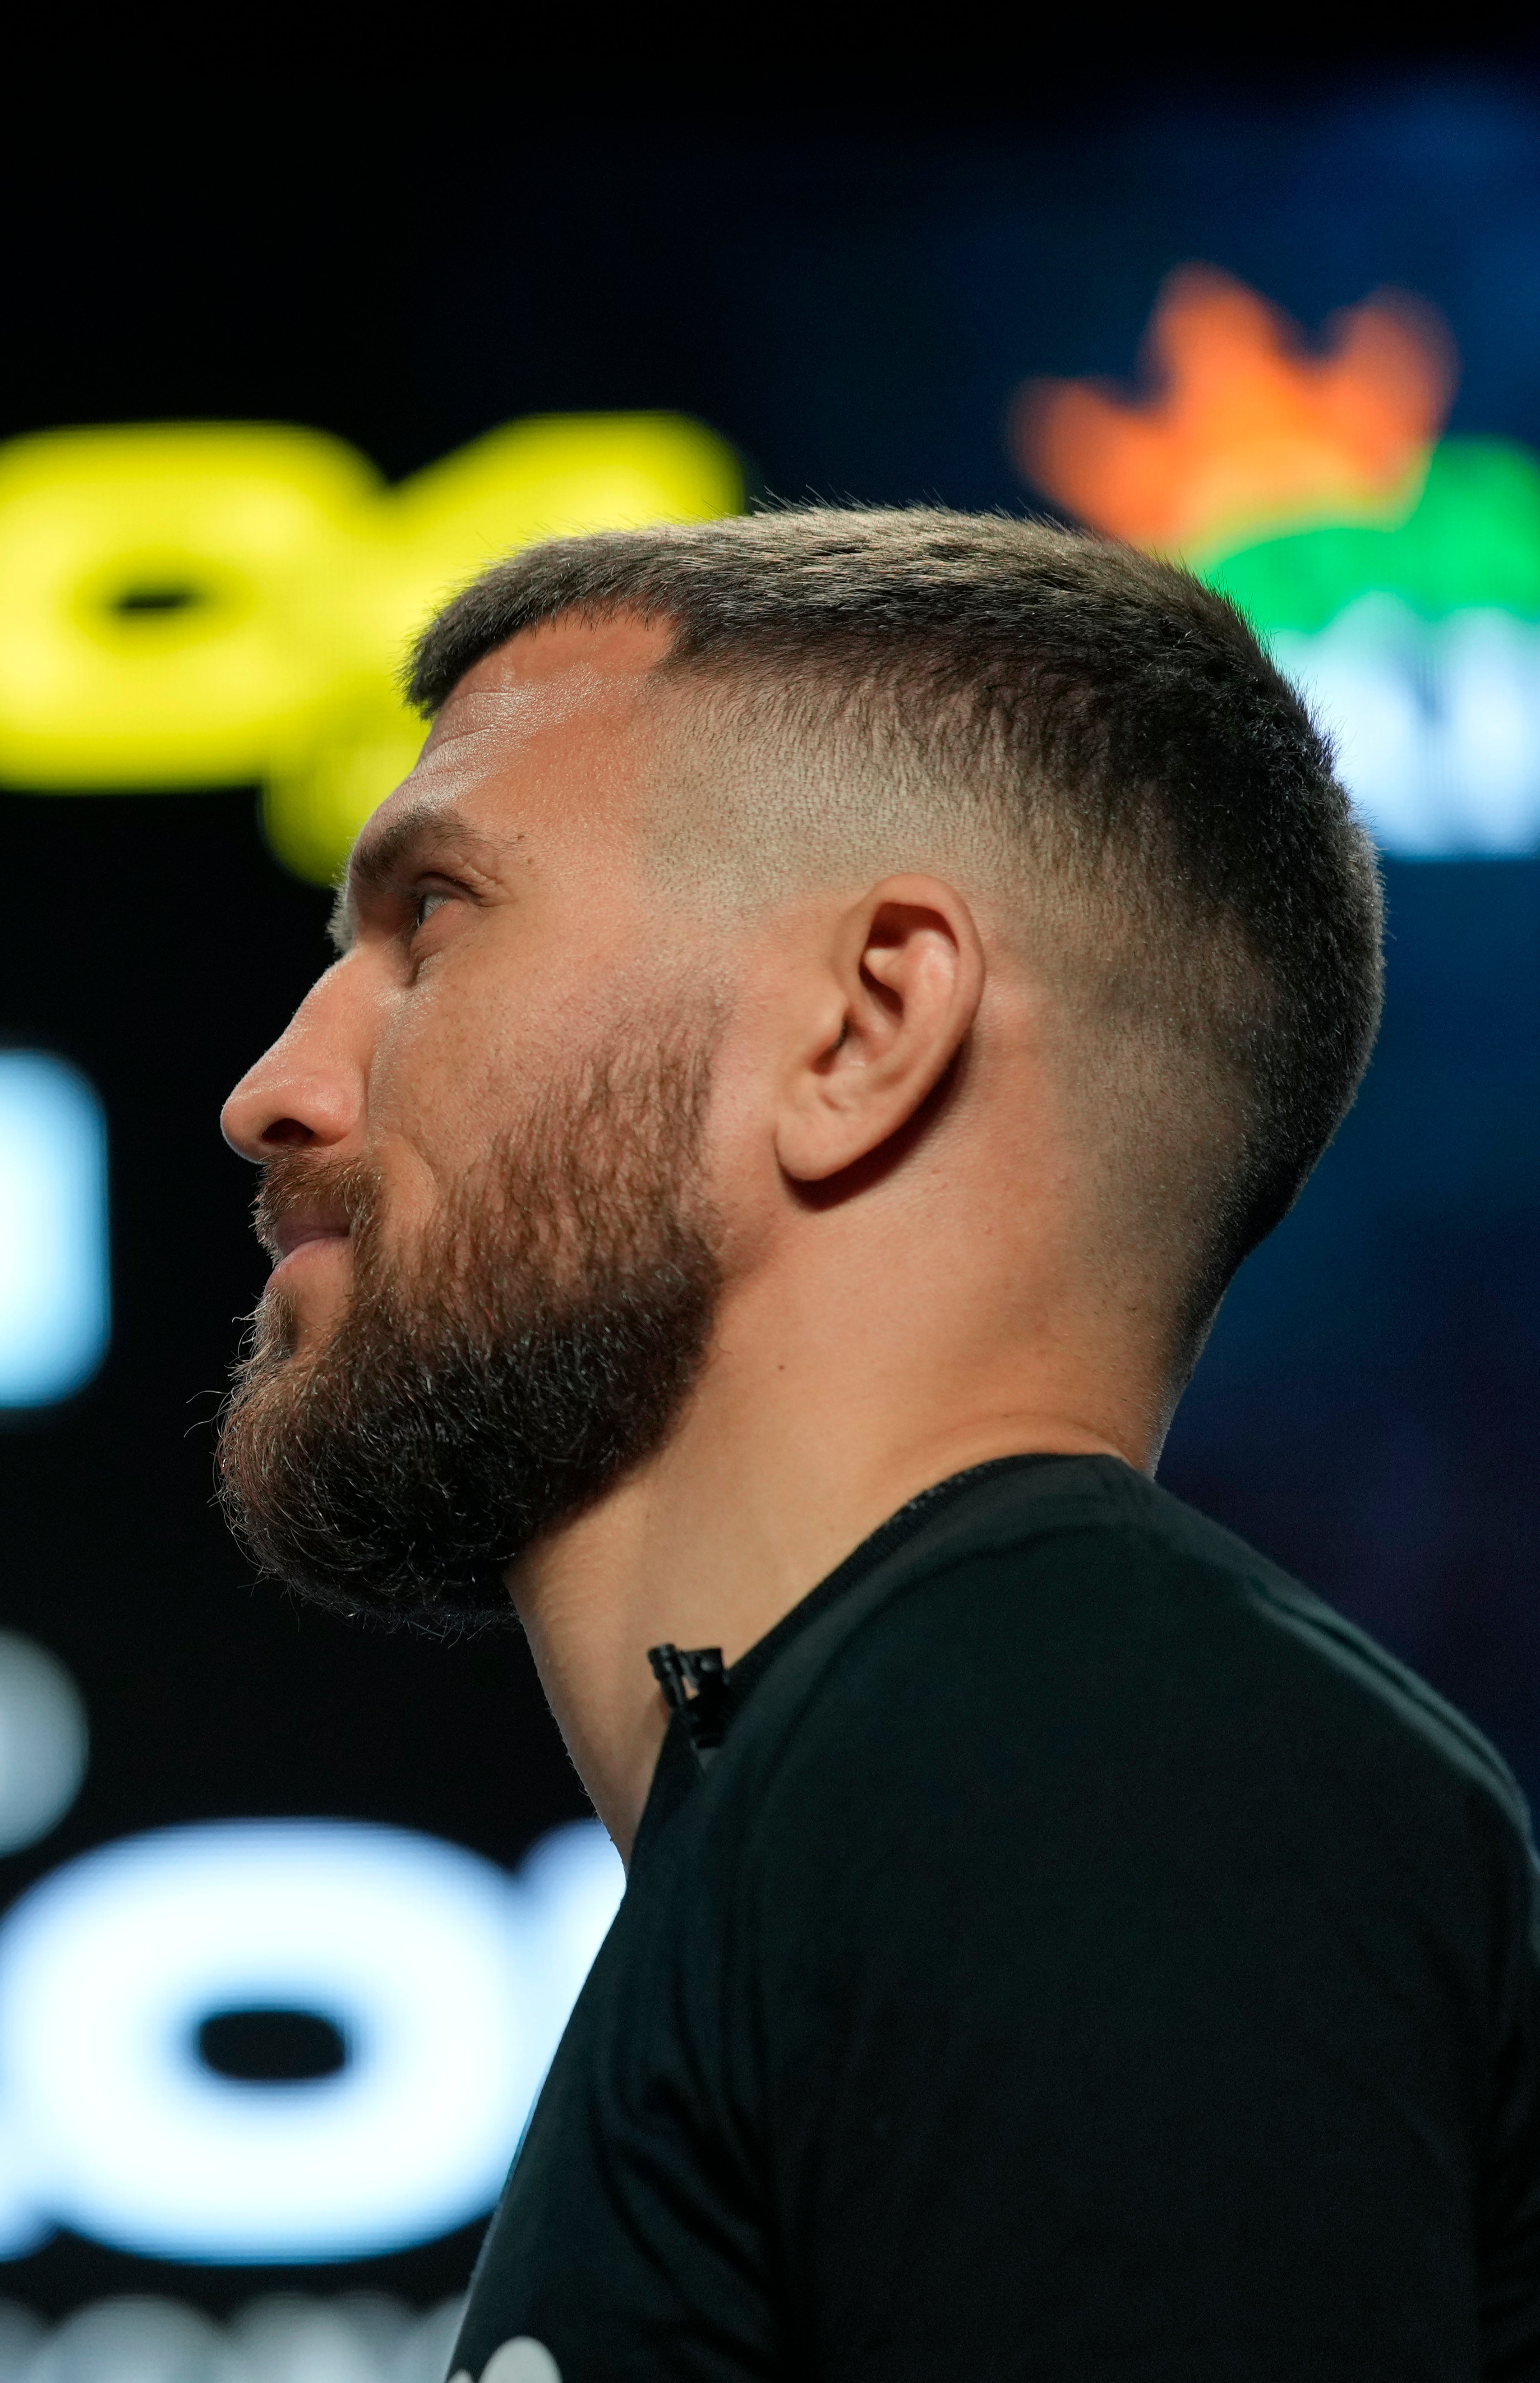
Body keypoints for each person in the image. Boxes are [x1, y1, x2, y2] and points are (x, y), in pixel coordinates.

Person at [216, 510, 1540, 2378]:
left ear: (867, 1023)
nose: (272, 1090)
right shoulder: (889, 1798)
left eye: (431, 921)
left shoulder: (1088, 1761)